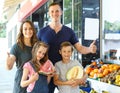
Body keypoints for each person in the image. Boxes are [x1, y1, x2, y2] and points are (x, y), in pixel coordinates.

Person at [37, 2, 97, 93]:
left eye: (57, 11)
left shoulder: (69, 31)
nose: (55, 14)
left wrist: (89, 49)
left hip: (65, 72)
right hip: (47, 72)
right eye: (52, 11)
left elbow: (79, 48)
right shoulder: (42, 32)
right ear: (49, 13)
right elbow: (35, 52)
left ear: (61, 12)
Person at [6, 20, 38, 93]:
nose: (28, 31)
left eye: (30, 28)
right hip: (21, 82)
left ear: (33, 30)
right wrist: (8, 61)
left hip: (35, 80)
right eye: (25, 29)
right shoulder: (16, 47)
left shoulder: (37, 45)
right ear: (22, 31)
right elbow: (9, 67)